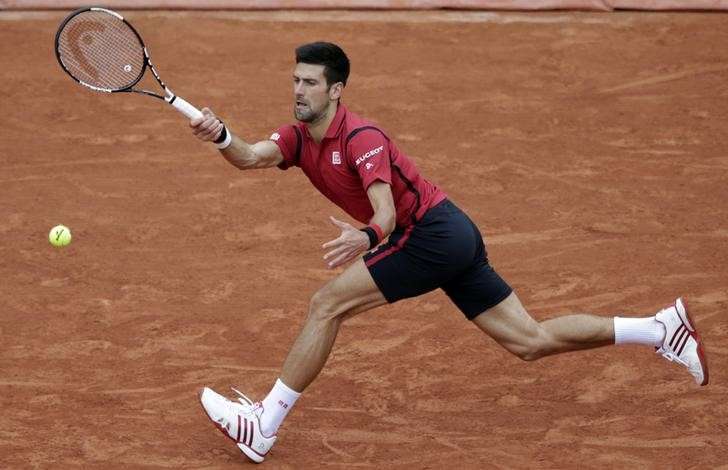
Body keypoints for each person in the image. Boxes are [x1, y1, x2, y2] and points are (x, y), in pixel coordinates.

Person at [190, 42, 709, 463]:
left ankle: (263, 426)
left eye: (309, 83)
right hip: (452, 235)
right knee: (531, 341)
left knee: (328, 304)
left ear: (336, 90)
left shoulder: (361, 137)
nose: (298, 91)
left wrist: (365, 238)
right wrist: (221, 135)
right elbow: (251, 157)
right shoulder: (299, 136)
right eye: (295, 80)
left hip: (432, 235)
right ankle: (659, 329)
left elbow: (386, 215)